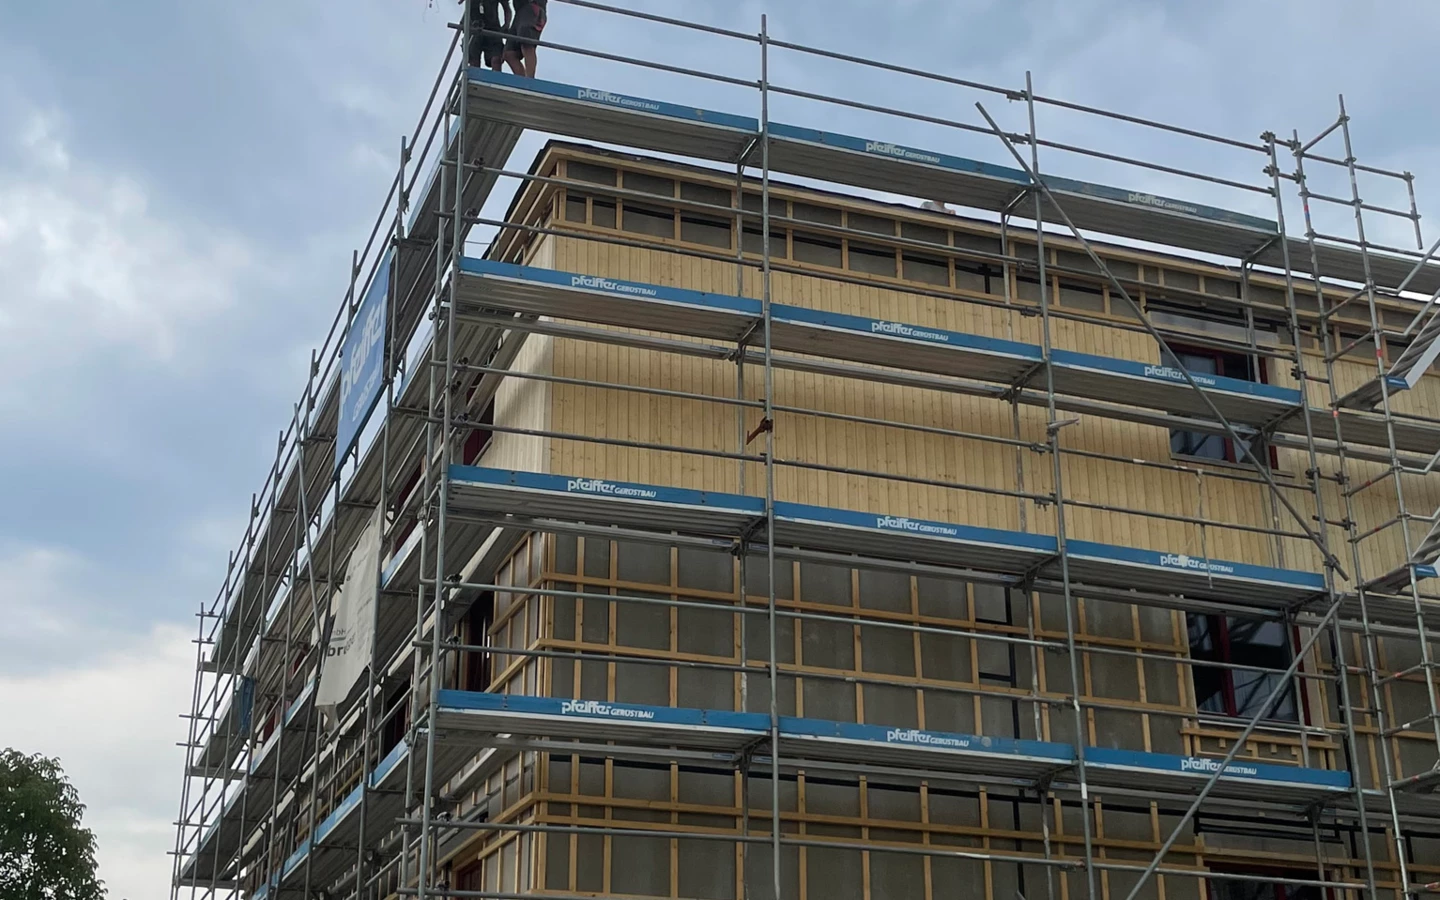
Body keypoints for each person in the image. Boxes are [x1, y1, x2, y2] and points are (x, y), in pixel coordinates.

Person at [462, 0, 511, 72]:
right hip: (474, 29)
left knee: (496, 60)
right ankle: (474, 79)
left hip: (493, 30)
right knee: (474, 60)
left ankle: (496, 81)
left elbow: (506, 8)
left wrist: (506, 24)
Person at [504, 0, 547, 79]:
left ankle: (530, 80)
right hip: (520, 12)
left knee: (527, 44)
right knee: (509, 54)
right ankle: (523, 81)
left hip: (532, 7)